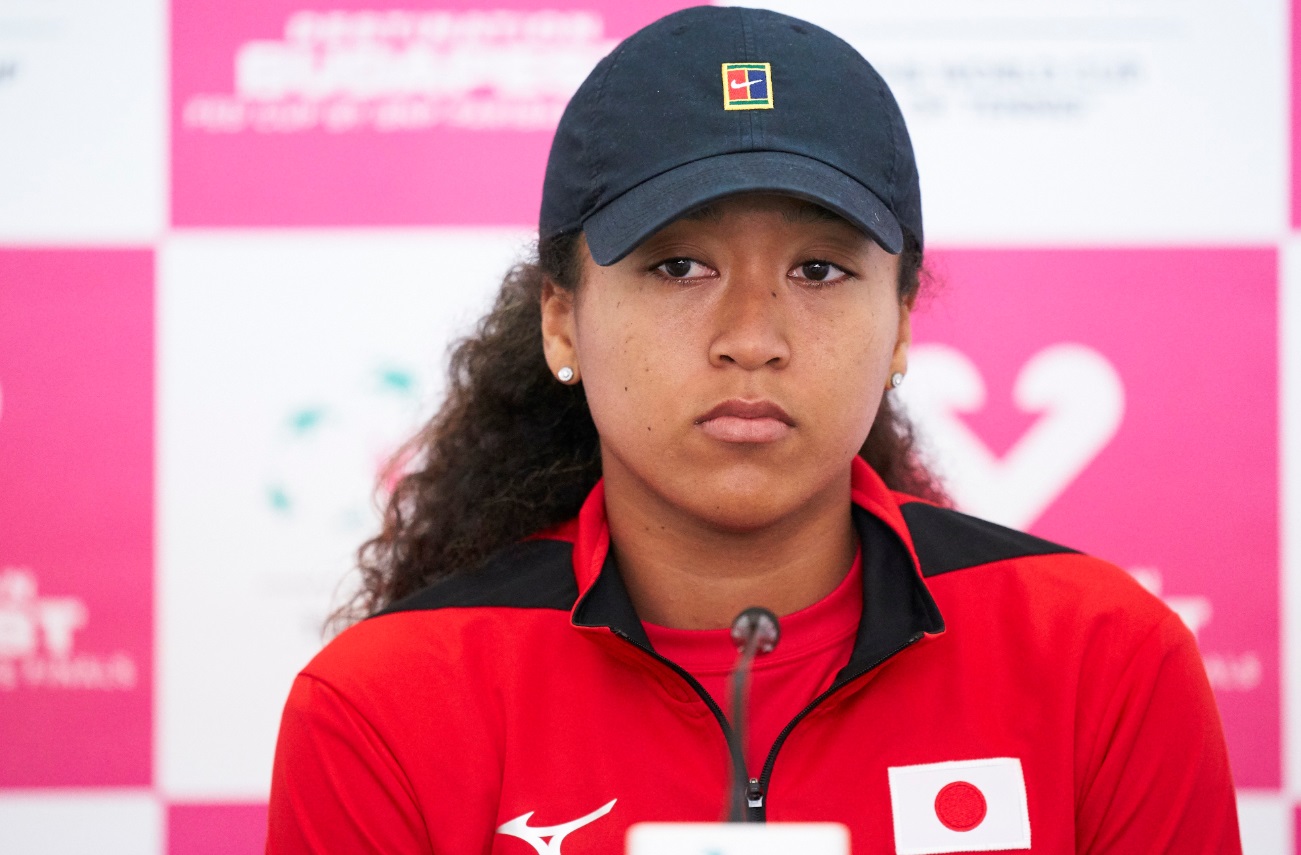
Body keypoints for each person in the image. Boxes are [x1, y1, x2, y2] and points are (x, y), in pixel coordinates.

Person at [265, 6, 1240, 853]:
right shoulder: (386, 705)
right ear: (562, 319)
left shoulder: (1101, 659)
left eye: (817, 271)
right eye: (677, 266)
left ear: (900, 323)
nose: (750, 338)